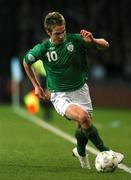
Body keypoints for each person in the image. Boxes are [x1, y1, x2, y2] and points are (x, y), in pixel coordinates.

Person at [23, 12, 124, 169]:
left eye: (63, 31)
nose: (62, 35)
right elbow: (26, 61)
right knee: (83, 117)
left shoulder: (76, 40)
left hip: (81, 90)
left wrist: (93, 40)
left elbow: (106, 45)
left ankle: (80, 152)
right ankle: (107, 151)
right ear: (48, 32)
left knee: (83, 126)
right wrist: (36, 85)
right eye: (57, 33)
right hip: (60, 95)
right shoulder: (43, 49)